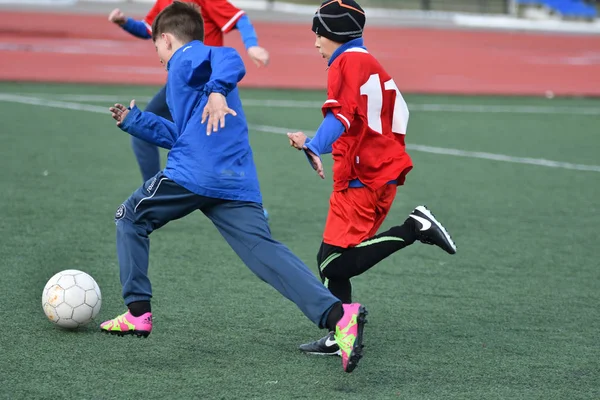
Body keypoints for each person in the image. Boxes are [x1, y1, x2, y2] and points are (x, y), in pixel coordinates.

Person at [100, 1, 366, 374]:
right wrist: (136, 122)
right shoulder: (189, 76)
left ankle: (138, 312)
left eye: (156, 47)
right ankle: (340, 316)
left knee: (129, 217)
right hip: (235, 180)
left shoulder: (187, 57)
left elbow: (230, 59)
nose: (158, 56)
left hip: (195, 174)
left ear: (165, 39)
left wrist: (218, 91)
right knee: (265, 255)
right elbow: (184, 134)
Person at [286, 0, 457, 356]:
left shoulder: (345, 61)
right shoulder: (369, 63)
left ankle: (413, 228)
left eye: (319, 33)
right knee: (331, 261)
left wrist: (316, 145)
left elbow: (342, 117)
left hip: (363, 179)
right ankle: (338, 336)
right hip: (380, 174)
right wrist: (316, 143)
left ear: (335, 33)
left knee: (332, 263)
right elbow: (364, 127)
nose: (316, 42)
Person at [108, 0, 269, 182]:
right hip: (179, 85)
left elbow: (240, 18)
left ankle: (236, 200)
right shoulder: (164, 2)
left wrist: (251, 45)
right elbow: (148, 30)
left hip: (210, 85)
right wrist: (124, 22)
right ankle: (157, 190)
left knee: (217, 142)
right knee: (144, 132)